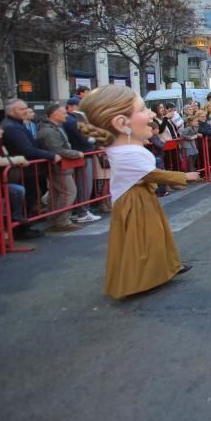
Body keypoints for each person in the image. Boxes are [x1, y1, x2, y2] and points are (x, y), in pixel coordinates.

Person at [79, 85, 197, 299]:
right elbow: (151, 174)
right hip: (134, 201)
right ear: (121, 124)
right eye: (143, 109)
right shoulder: (126, 153)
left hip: (140, 197)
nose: (151, 114)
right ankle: (138, 280)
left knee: (154, 236)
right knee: (142, 240)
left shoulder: (124, 149)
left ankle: (166, 268)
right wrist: (184, 176)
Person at [0, 120, 42, 242]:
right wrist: (20, 159)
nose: (2, 131)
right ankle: (15, 218)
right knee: (15, 191)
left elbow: (6, 158)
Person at [1, 99, 61, 218]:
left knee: (30, 197)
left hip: (26, 169)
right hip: (21, 170)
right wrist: (51, 155)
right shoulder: (12, 127)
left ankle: (25, 223)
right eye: (21, 109)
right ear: (11, 111)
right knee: (25, 199)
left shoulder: (17, 124)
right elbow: (26, 149)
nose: (25, 111)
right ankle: (21, 227)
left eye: (26, 108)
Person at [36, 103, 85, 232]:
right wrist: (76, 154)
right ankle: (61, 220)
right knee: (68, 192)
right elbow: (58, 149)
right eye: (63, 113)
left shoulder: (53, 128)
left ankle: (56, 219)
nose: (66, 115)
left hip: (60, 166)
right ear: (55, 114)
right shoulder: (49, 131)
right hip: (59, 167)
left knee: (58, 193)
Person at [63, 97, 101, 223]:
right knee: (84, 185)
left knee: (82, 185)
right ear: (71, 107)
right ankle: (83, 212)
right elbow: (85, 137)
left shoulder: (74, 120)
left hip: (82, 154)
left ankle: (81, 210)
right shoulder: (72, 121)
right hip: (83, 154)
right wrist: (93, 140)